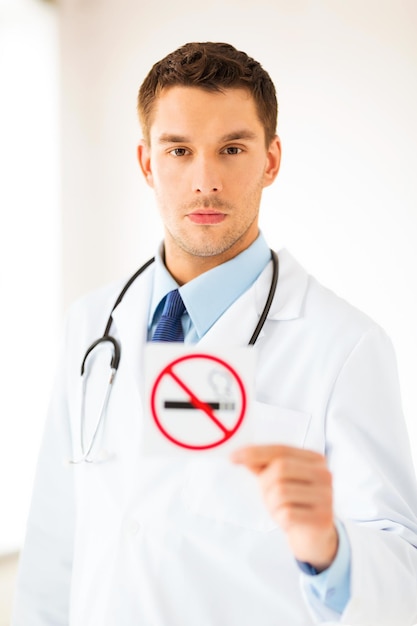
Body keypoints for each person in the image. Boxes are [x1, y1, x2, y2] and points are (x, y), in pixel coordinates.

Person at [12, 42, 417, 626]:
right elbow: (55, 545)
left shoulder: (345, 346)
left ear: (271, 160)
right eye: (179, 150)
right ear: (148, 163)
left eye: (232, 149)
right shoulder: (91, 326)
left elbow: (403, 577)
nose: (205, 182)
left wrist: (330, 548)